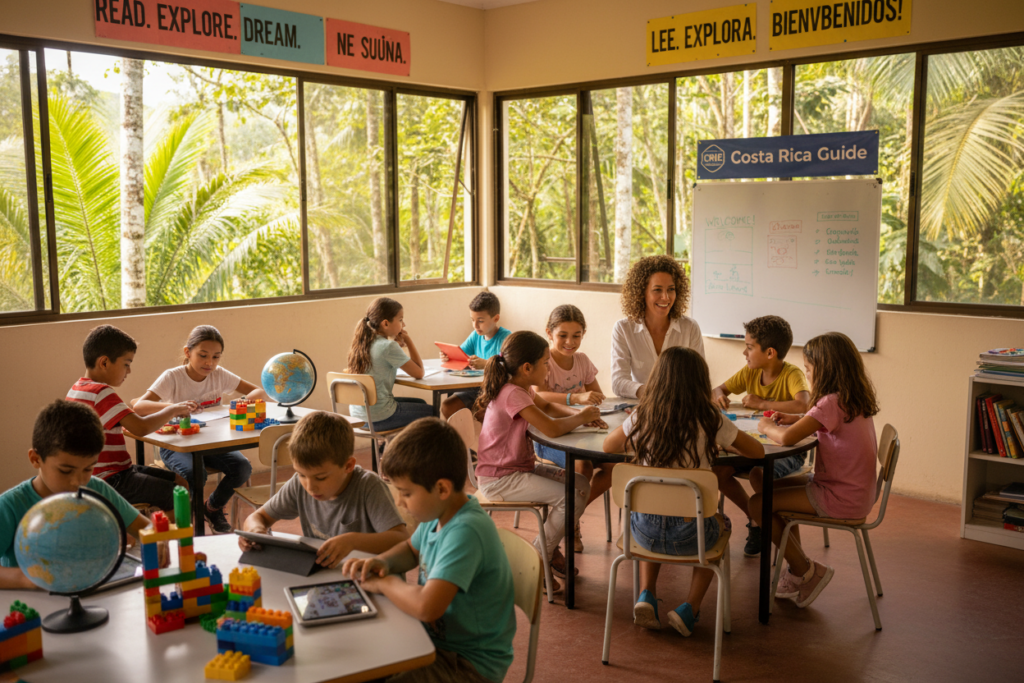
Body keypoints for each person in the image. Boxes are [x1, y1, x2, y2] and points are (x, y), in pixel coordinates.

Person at [603, 347, 765, 636]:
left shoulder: (643, 415)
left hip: (642, 534)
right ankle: (689, 607)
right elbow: (757, 451)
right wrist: (726, 441)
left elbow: (607, 447)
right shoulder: (710, 419)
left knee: (651, 509)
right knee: (722, 521)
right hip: (693, 537)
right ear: (700, 383)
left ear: (657, 381)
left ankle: (646, 595)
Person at [343, 418, 515, 683]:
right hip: (433, 643)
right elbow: (411, 551)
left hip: (467, 665)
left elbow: (426, 607)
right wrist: (382, 562)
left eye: (405, 493)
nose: (399, 502)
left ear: (442, 488)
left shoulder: (466, 531)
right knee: (359, 661)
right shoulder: (438, 514)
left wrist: (385, 584)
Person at [751, 331, 880, 609]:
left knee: (757, 504)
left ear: (826, 369)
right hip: (856, 492)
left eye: (809, 370)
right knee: (761, 479)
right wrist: (796, 418)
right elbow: (818, 421)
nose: (808, 376)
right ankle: (797, 568)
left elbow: (786, 438)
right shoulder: (850, 397)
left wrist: (765, 427)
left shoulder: (830, 402)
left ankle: (805, 571)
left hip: (840, 496)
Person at [473, 330, 602, 588]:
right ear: (527, 367)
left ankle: (547, 548)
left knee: (581, 484)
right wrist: (580, 418)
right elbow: (552, 428)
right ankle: (538, 555)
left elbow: (549, 408)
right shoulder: (512, 394)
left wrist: (580, 413)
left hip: (518, 470)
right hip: (500, 479)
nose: (549, 368)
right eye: (546, 363)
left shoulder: (520, 387)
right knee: (571, 496)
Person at [0, 400, 169, 589]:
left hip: (91, 598)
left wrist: (158, 539)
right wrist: (28, 579)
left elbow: (144, 527)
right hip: (34, 608)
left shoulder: (96, 488)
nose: (77, 481)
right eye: (65, 470)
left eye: (88, 469)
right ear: (36, 459)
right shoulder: (9, 506)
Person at [133, 325, 267, 533]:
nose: (209, 363)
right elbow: (139, 406)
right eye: (203, 355)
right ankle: (190, 525)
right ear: (188, 352)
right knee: (194, 474)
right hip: (177, 445)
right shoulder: (173, 377)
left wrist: (240, 402)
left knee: (242, 468)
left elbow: (258, 391)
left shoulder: (219, 375)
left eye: (216, 357)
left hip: (212, 443)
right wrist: (174, 407)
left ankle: (211, 508)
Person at [238, 411, 408, 568]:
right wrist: (255, 532)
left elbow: (401, 539)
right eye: (301, 474)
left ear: (348, 465)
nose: (310, 486)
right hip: (326, 578)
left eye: (321, 477)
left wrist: (353, 541)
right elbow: (257, 517)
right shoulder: (299, 484)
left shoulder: (368, 487)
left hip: (370, 578)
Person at [710, 315, 811, 557]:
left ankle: (766, 523)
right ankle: (755, 518)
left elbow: (803, 405)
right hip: (753, 446)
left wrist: (762, 402)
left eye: (749, 347)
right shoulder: (749, 373)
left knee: (759, 474)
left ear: (770, 353)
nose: (745, 353)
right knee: (719, 472)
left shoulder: (792, 374)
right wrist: (718, 396)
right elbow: (718, 389)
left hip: (786, 451)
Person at [67, 324, 194, 512]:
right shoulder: (102, 392)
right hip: (110, 479)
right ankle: (171, 540)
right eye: (126, 364)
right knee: (176, 492)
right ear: (104, 362)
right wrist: (173, 409)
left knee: (179, 480)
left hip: (98, 476)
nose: (129, 371)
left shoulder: (77, 388)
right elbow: (140, 428)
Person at [531, 304, 613, 553]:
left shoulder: (582, 361)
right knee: (583, 466)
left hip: (581, 433)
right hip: (550, 437)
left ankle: (569, 516)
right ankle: (572, 522)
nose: (570, 341)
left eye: (576, 335)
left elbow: (597, 394)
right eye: (563, 335)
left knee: (615, 467)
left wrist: (593, 405)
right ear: (549, 333)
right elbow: (538, 396)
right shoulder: (544, 362)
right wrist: (575, 399)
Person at [611, 255, 705, 400]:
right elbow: (618, 382)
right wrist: (650, 393)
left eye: (671, 289)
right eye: (657, 290)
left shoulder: (690, 328)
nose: (666, 297)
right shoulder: (623, 329)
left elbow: (699, 380)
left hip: (680, 408)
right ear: (642, 293)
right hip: (642, 408)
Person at [347, 297, 432, 431]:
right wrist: (408, 340)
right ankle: (405, 449)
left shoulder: (361, 343)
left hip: (359, 415)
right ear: (385, 323)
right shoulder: (388, 347)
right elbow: (419, 373)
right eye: (400, 320)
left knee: (420, 404)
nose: (403, 325)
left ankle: (390, 446)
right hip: (379, 416)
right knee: (433, 412)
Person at [440, 292, 512, 419]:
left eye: (480, 321)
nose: (475, 325)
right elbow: (461, 355)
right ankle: (462, 438)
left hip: (496, 392)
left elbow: (512, 368)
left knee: (482, 413)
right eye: (472, 320)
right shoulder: (475, 335)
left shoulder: (506, 338)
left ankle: (481, 436)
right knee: (447, 406)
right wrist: (449, 356)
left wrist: (486, 364)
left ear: (495, 318)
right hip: (475, 389)